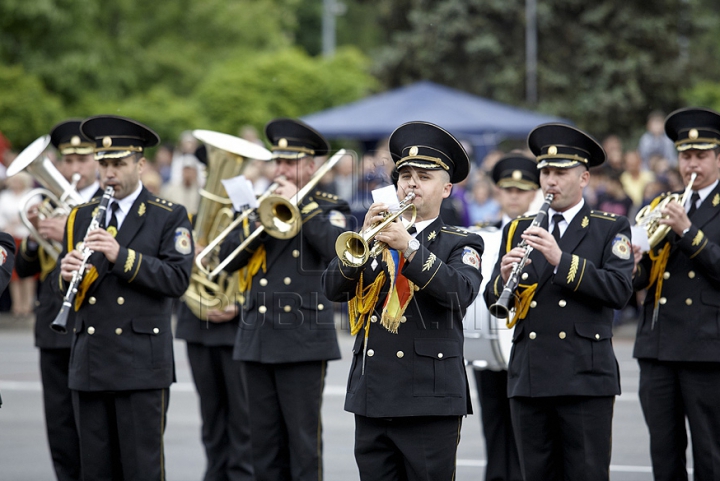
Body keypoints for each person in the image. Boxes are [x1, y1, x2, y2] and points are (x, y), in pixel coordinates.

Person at [322, 121, 484, 480]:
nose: (411, 183)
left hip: (429, 400)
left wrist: (409, 247)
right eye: (405, 175)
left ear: (447, 189)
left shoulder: (462, 242)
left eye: (424, 177)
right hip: (373, 396)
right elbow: (332, 289)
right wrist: (362, 239)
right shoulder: (375, 237)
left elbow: (459, 292)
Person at [483, 124, 634, 481]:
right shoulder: (517, 228)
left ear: (583, 178)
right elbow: (493, 298)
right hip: (530, 375)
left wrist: (560, 259)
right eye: (546, 172)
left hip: (584, 377)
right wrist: (504, 281)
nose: (550, 181)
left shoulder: (609, 227)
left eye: (560, 172)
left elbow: (619, 290)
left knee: (586, 473)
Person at [55, 115, 194, 481]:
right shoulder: (80, 216)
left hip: (140, 364)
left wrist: (122, 256)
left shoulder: (168, 215)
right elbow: (68, 284)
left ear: (140, 164)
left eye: (119, 164)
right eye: (104, 165)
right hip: (91, 361)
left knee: (141, 470)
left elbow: (178, 279)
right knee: (95, 471)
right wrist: (66, 273)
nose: (110, 173)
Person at [219, 118, 350, 481]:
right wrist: (257, 221)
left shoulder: (327, 205)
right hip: (258, 337)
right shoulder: (258, 204)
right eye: (277, 161)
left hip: (303, 338)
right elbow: (226, 262)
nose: (280, 169)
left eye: (289, 161)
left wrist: (302, 205)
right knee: (262, 445)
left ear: (310, 165)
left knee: (303, 443)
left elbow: (336, 251)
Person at [631, 107, 720, 481]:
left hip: (707, 348)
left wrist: (688, 233)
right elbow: (639, 281)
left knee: (710, 453)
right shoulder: (660, 205)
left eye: (701, 156)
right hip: (658, 347)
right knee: (664, 454)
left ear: (718, 157)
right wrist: (632, 263)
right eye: (686, 156)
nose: (691, 165)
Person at [14, 119, 100, 481]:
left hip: (92, 323)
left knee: (92, 426)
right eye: (67, 160)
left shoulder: (103, 204)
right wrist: (34, 237)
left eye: (82, 159)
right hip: (51, 321)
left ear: (96, 160)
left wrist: (69, 231)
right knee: (60, 424)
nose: (74, 168)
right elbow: (25, 266)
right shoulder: (50, 202)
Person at [473, 153, 539, 481]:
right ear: (498, 192)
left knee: (531, 438)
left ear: (534, 193)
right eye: (508, 189)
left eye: (522, 189)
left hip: (529, 347)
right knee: (495, 429)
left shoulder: (546, 238)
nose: (514, 196)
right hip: (488, 349)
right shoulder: (481, 235)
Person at [175, 302, 254, 481]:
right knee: (210, 414)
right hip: (198, 325)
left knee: (242, 415)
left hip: (239, 329)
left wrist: (243, 305)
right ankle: (215, 473)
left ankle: (242, 475)